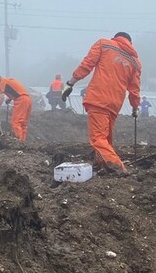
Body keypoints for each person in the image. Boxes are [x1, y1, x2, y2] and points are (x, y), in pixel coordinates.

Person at [60, 31, 141, 175]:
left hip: (98, 98)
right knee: (106, 138)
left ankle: (118, 167)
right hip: (115, 104)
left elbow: (87, 64)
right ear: (130, 43)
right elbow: (134, 89)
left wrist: (70, 83)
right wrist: (135, 108)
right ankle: (101, 165)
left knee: (98, 138)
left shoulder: (104, 44)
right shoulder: (135, 61)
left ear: (116, 38)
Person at [0, 73, 33, 141]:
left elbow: (1, 97)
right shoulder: (9, 80)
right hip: (27, 99)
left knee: (15, 122)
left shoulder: (2, 82)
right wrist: (10, 98)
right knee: (23, 123)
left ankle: (19, 142)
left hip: (21, 101)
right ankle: (23, 141)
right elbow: (16, 90)